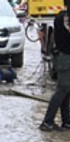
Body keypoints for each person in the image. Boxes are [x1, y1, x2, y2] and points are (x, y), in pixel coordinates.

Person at [40, 1, 70, 130]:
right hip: (66, 58)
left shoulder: (60, 16)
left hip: (62, 57)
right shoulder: (66, 18)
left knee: (67, 91)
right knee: (63, 89)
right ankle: (47, 121)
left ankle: (67, 121)